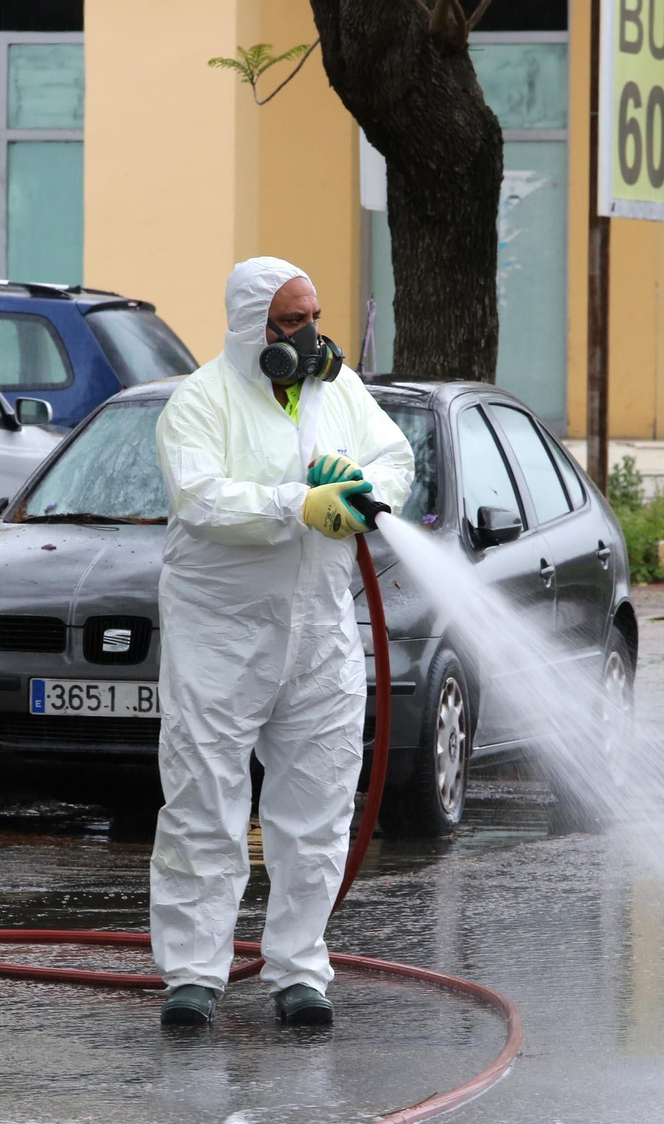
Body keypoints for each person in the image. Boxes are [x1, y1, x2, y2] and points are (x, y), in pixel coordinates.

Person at [151, 257, 413, 1027]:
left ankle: (299, 971)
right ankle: (194, 976)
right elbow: (202, 499)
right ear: (249, 327)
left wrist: (365, 493)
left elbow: (395, 457)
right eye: (291, 322)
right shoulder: (200, 402)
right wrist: (299, 505)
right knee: (205, 805)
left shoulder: (339, 391)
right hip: (221, 637)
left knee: (319, 808)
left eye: (313, 317)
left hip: (321, 633)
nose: (309, 335)